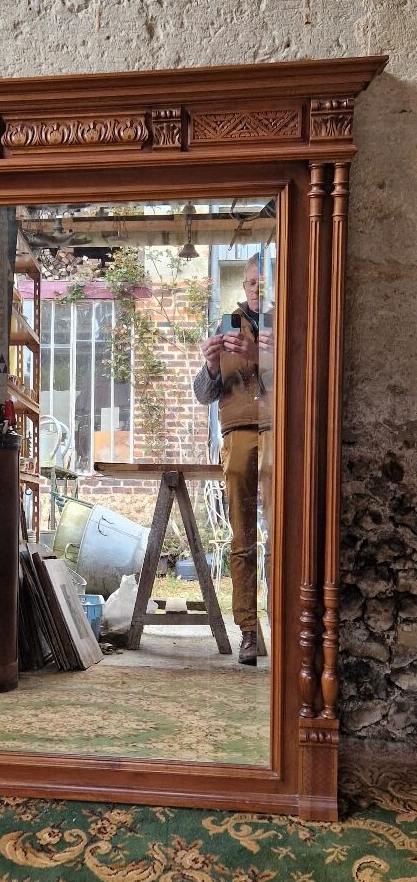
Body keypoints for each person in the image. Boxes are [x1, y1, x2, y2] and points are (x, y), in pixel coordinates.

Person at [193, 257, 273, 665]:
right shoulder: (228, 322)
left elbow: (305, 376)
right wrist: (209, 365)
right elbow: (204, 394)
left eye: (262, 282)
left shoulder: (287, 321)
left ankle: (285, 623)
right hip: (239, 431)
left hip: (280, 432)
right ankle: (247, 631)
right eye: (250, 283)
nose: (256, 289)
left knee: (283, 536)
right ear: (243, 286)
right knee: (243, 536)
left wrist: (262, 360)